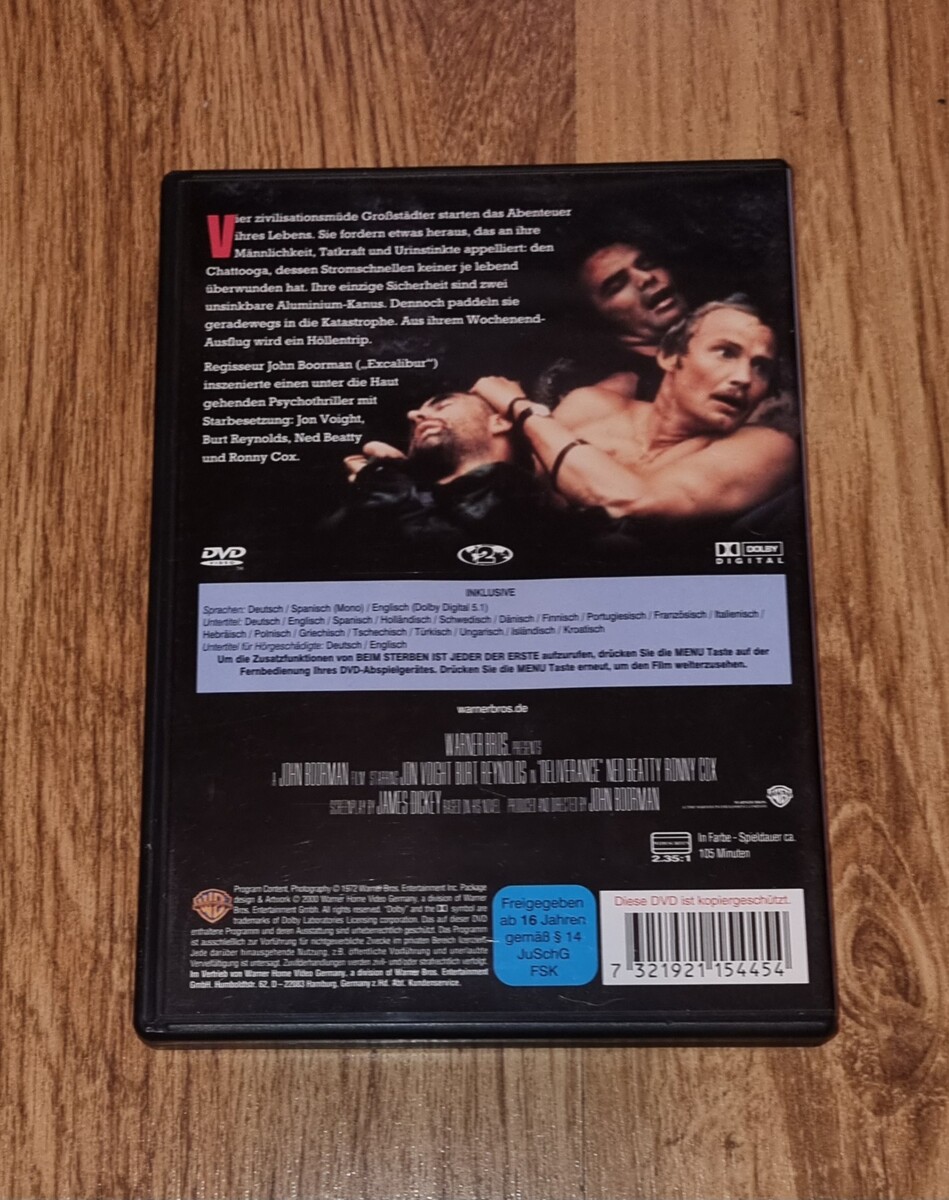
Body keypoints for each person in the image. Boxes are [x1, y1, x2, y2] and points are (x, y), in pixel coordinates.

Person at [472, 299, 798, 526]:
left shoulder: (769, 448)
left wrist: (522, 409)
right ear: (670, 355)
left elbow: (632, 504)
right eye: (726, 353)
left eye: (761, 367)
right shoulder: (591, 405)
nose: (744, 378)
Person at [324, 391, 572, 568]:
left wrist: (386, 482)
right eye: (416, 416)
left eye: (442, 405)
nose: (414, 415)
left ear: (499, 423)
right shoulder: (391, 489)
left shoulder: (525, 499)